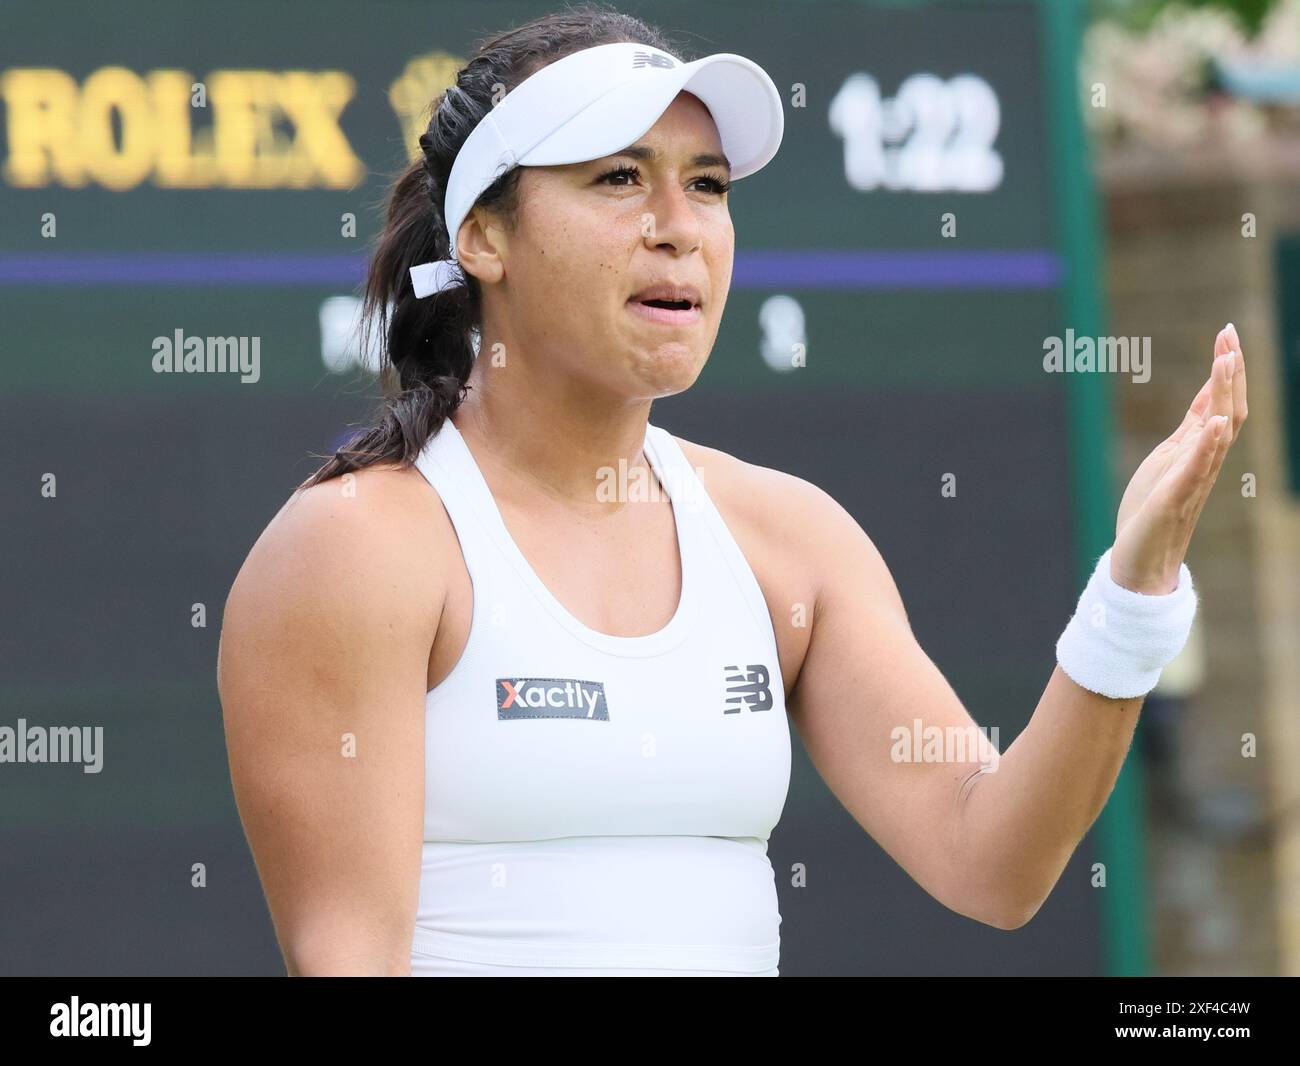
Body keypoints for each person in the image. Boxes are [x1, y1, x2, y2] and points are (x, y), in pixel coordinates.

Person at [216, 5, 1247, 977]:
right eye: (620, 178)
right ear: (483, 237)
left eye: (706, 184)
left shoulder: (787, 538)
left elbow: (992, 857)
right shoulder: (359, 547)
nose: (681, 227)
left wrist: (1133, 593)